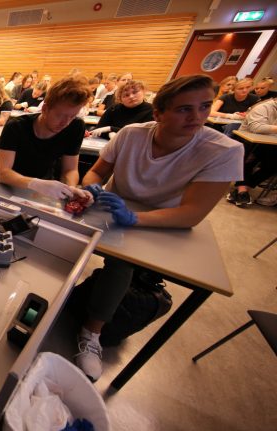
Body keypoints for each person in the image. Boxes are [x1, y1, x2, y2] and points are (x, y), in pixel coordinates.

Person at [76, 75, 243, 382]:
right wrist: (92, 189)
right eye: (184, 109)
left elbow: (191, 214)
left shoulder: (224, 150)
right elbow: (96, 173)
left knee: (122, 262)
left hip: (162, 223)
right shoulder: (131, 134)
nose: (197, 117)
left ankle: (92, 331)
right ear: (158, 113)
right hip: (113, 210)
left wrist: (135, 218)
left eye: (205, 106)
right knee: (64, 236)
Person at [0, 76, 92, 200]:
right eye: (59, 115)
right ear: (45, 109)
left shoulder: (76, 127)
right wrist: (35, 184)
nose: (66, 123)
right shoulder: (16, 127)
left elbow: (70, 169)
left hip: (47, 189)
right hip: (11, 187)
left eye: (72, 116)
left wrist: (70, 188)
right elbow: (4, 173)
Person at [227, 98, 277, 207]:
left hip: (268, 145)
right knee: (250, 153)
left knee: (274, 162)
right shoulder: (263, 107)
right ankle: (242, 190)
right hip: (246, 141)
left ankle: (244, 188)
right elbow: (257, 128)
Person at [88, 80, 153, 139]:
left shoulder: (152, 110)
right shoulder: (113, 109)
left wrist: (112, 129)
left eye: (135, 92)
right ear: (120, 99)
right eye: (126, 95)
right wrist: (110, 134)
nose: (131, 96)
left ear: (143, 92)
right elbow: (98, 130)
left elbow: (142, 134)